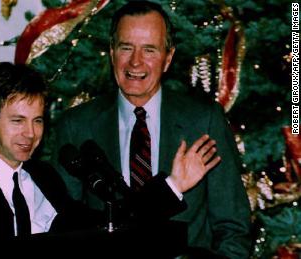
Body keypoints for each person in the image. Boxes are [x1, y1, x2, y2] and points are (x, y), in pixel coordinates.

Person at [0, 61, 219, 258]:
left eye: (37, 121)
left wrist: (173, 184)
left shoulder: (44, 178)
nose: (30, 134)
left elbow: (109, 224)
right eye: (17, 121)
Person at [50, 1, 251, 258]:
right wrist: (173, 186)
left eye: (149, 50)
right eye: (126, 48)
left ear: (168, 58)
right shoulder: (76, 126)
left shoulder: (203, 121)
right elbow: (64, 229)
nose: (136, 62)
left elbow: (233, 228)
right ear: (112, 52)